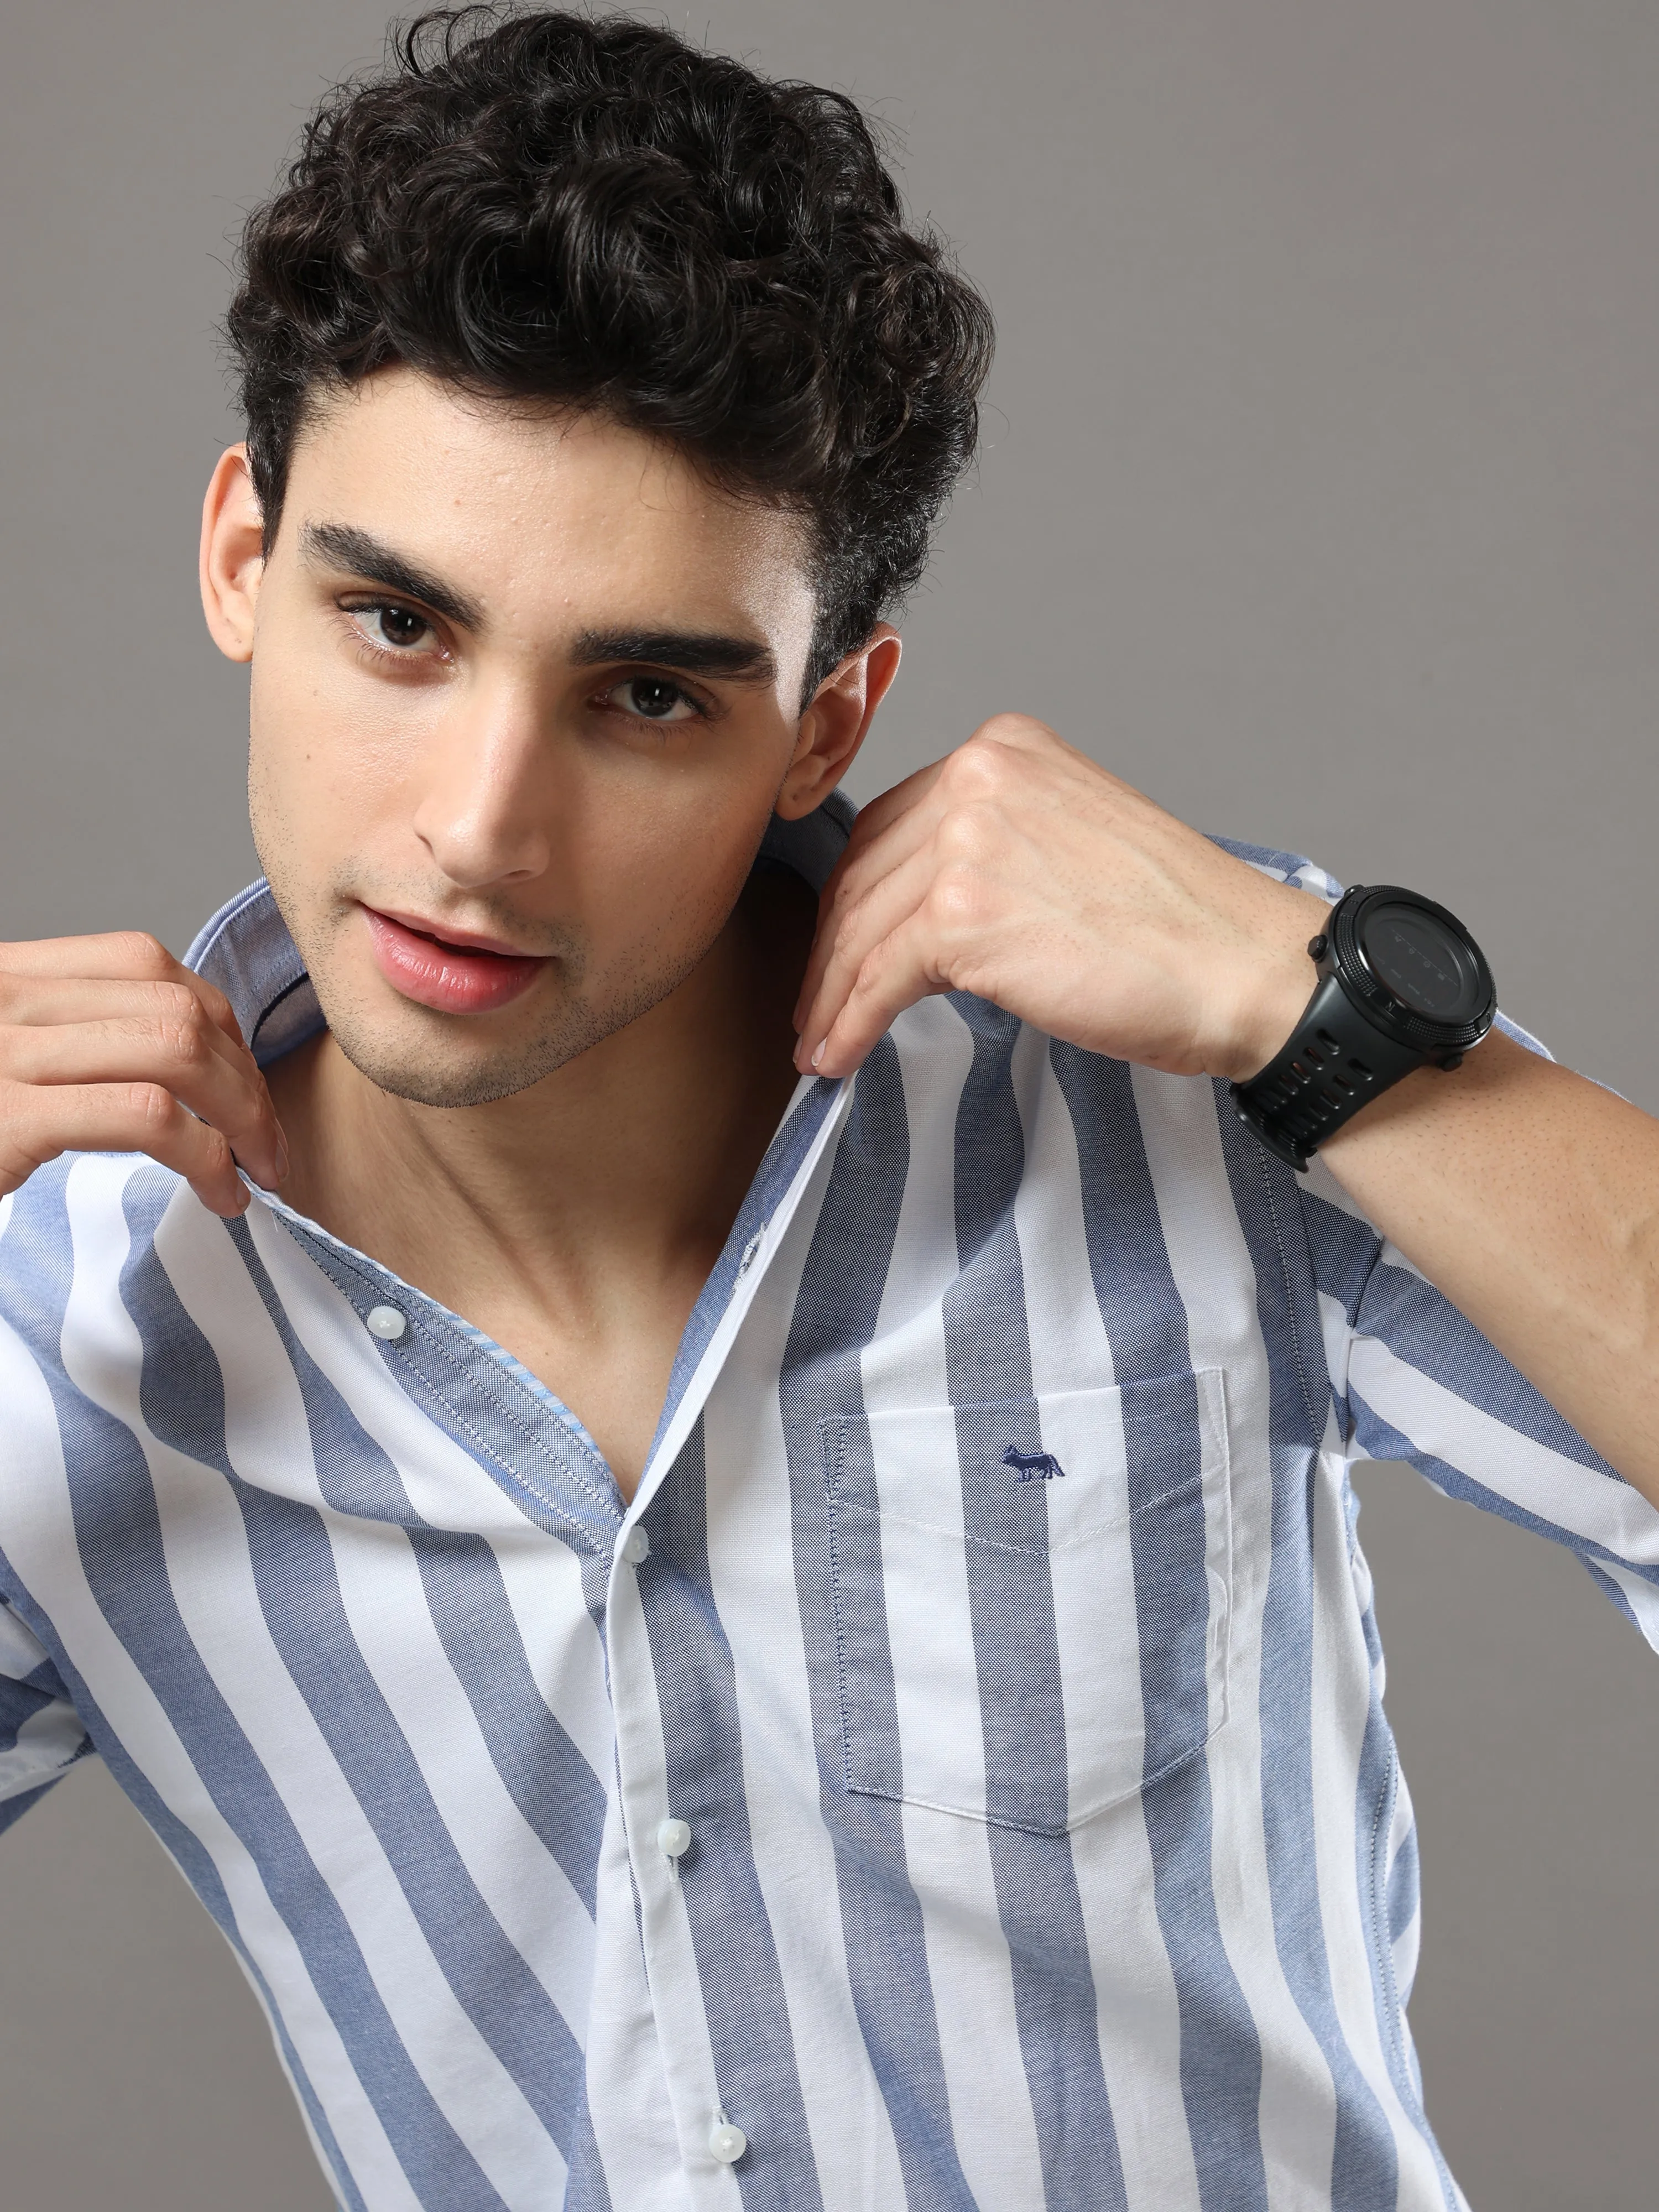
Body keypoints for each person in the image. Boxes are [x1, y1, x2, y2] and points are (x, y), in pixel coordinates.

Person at [1, 10, 1655, 2209]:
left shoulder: (1182, 1069)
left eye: (651, 692)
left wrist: (1299, 995)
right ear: (240, 553)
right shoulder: (60, 1331)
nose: (480, 831)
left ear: (824, 720)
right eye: (397, 622)